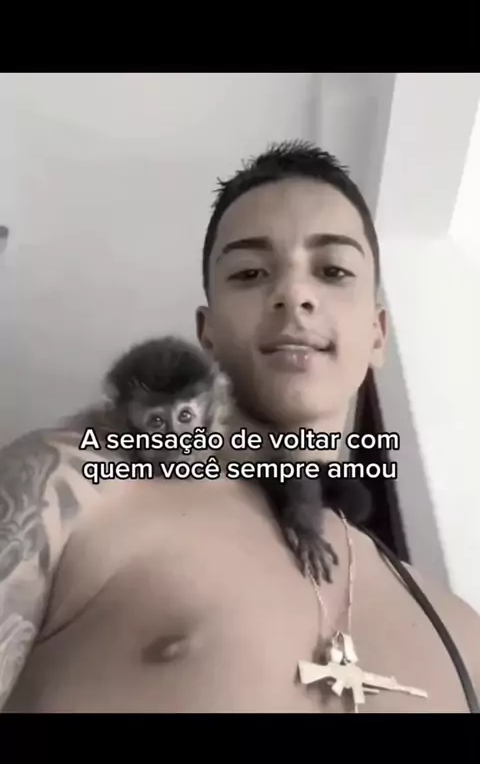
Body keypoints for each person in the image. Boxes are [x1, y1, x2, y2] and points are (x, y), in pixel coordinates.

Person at [1, 141, 479, 714]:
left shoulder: (464, 633)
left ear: (378, 333)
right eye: (251, 273)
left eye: (332, 270)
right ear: (207, 334)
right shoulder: (62, 487)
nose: (294, 295)